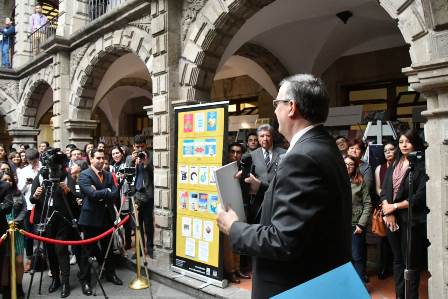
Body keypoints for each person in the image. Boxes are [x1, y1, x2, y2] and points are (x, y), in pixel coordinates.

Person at [217, 74, 352, 299]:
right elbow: (304, 209)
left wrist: (234, 228)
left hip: (297, 287)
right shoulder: (322, 145)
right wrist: (261, 188)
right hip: (322, 280)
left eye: (276, 103)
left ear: (291, 107)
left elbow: (284, 240)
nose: (275, 111)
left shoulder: (302, 156)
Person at [381, 129, 428, 299]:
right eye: (401, 142)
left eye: (407, 141)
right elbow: (384, 191)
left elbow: (419, 197)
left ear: (415, 143)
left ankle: (410, 297)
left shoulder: (421, 166)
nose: (404, 145)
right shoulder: (395, 163)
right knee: (398, 260)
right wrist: (387, 211)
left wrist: (394, 207)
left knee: (411, 262)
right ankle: (400, 295)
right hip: (391, 219)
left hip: (410, 220)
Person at [30, 148, 80, 298]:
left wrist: (67, 191)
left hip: (63, 219)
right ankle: (56, 280)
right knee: (50, 251)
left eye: (59, 164)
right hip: (46, 219)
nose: (56, 168)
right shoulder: (41, 176)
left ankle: (65, 282)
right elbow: (33, 200)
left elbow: (74, 200)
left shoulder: (65, 176)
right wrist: (36, 195)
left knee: (61, 250)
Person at [78, 148, 122, 295]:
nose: (101, 161)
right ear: (91, 159)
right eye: (98, 158)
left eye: (103, 158)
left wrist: (102, 192)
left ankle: (110, 274)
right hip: (90, 219)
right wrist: (106, 192)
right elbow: (91, 194)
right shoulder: (84, 175)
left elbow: (115, 193)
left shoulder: (109, 175)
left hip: (107, 218)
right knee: (88, 252)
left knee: (108, 249)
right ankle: (85, 281)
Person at [223, 142, 250, 283]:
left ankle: (238, 268)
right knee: (228, 241)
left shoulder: (244, 169)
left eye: (238, 152)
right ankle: (230, 271)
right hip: (227, 208)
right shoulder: (223, 168)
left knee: (238, 239)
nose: (235, 155)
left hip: (241, 206)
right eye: (232, 151)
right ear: (228, 153)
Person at [248, 124, 286, 223]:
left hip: (278, 198)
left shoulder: (284, 153)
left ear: (272, 137)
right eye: (262, 136)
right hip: (259, 201)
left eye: (268, 135)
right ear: (258, 139)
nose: (265, 138)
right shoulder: (252, 155)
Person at [125, 135, 154, 258]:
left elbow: (157, 174)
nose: (140, 149)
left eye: (142, 146)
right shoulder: (128, 158)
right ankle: (140, 249)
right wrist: (132, 162)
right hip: (135, 194)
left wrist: (146, 164)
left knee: (148, 224)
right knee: (137, 224)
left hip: (147, 194)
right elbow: (127, 175)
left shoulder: (151, 156)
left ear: (146, 145)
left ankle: (150, 248)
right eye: (137, 147)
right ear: (133, 147)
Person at [345, 155, 372, 282]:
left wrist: (361, 224)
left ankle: (360, 287)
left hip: (356, 225)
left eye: (351, 164)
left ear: (355, 167)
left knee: (357, 257)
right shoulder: (336, 181)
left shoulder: (360, 182)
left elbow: (368, 204)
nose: (348, 166)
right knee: (344, 258)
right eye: (346, 163)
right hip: (340, 226)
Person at [0, 172, 27, 299]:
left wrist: (16, 221)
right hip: (4, 232)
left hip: (17, 230)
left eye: (10, 179)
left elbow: (24, 209)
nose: (8, 182)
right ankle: (5, 289)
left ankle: (18, 286)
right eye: (5, 179)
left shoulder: (18, 193)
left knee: (19, 261)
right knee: (5, 262)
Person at [17, 148, 41, 273]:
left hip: (42, 206)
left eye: (35, 161)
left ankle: (44, 258)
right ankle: (30, 258)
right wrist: (27, 184)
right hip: (28, 206)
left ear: (38, 158)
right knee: (28, 234)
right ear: (26, 160)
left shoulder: (43, 168)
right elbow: (19, 189)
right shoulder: (23, 171)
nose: (33, 164)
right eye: (30, 162)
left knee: (43, 233)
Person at [374, 142, 395, 279]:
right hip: (384, 205)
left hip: (398, 205)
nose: (388, 152)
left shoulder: (401, 165)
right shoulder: (379, 168)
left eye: (391, 149)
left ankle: (397, 267)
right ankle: (384, 267)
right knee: (384, 240)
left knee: (397, 238)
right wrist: (386, 203)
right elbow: (378, 188)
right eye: (385, 151)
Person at [0, 175, 13, 299]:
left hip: (0, 230)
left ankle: (5, 290)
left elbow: (8, 205)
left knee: (3, 261)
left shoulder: (4, 186)